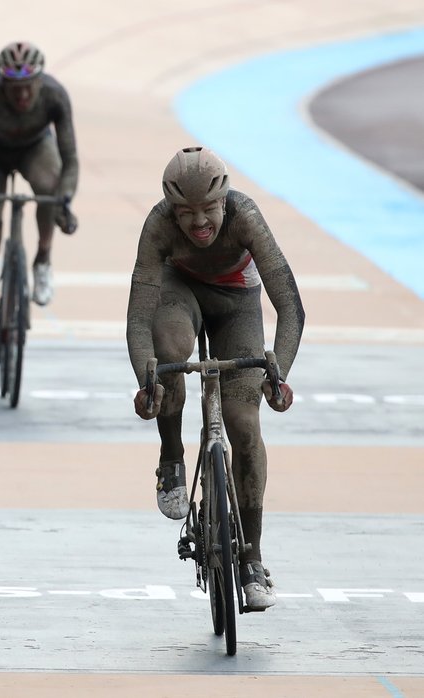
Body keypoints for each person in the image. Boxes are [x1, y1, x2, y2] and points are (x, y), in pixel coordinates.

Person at [126, 146, 304, 611]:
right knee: (168, 353)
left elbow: (290, 307)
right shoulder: (158, 225)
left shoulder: (246, 216)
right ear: (172, 210)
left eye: (208, 211)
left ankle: (252, 559)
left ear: (225, 202)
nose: (199, 223)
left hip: (236, 304)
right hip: (176, 293)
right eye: (186, 214)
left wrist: (279, 371)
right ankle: (171, 459)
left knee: (243, 425)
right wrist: (149, 382)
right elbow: (138, 318)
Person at [0, 40, 80, 369]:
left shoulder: (55, 96)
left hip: (34, 149)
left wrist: (65, 201)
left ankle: (42, 257)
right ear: (2, 84)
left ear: (41, 81)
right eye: (14, 89)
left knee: (49, 187)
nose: (22, 96)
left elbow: (70, 161)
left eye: (28, 88)